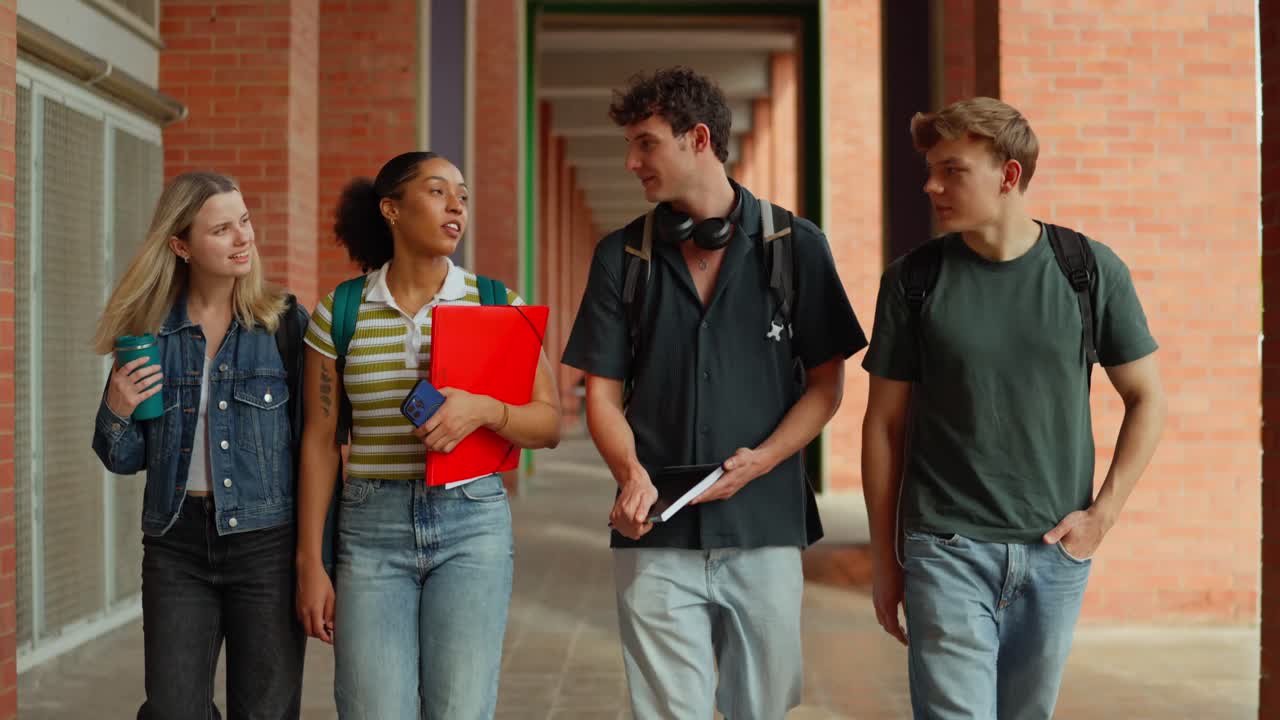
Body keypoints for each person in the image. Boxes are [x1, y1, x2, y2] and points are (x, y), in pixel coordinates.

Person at [562, 67, 867, 718]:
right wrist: (629, 474)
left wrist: (765, 459)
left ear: (698, 138)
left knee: (763, 706)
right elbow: (602, 396)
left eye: (646, 144)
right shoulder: (622, 257)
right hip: (655, 532)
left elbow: (825, 386)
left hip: (765, 526)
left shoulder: (797, 247)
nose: (631, 163)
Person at [860, 97, 1167, 719]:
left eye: (952, 171)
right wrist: (885, 559)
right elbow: (883, 426)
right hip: (945, 546)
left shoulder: (1087, 271)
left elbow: (1148, 399)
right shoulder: (913, 281)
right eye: (930, 170)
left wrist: (1101, 517)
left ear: (1009, 175)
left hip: (1054, 550)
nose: (931, 186)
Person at [293, 151, 562, 719]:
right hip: (370, 531)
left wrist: (485, 410)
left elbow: (548, 423)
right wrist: (310, 563)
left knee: (460, 709)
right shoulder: (340, 311)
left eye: (462, 196)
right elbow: (319, 441)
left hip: (473, 525)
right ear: (391, 209)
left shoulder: (496, 304)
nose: (456, 206)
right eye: (438, 192)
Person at [91, 171, 308, 719]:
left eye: (244, 221)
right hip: (176, 544)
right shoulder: (150, 333)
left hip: (266, 545)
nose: (243, 237)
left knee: (265, 712)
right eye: (221, 229)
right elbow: (123, 458)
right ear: (181, 246)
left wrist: (318, 555)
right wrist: (116, 409)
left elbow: (315, 443)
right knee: (173, 709)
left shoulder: (282, 323)